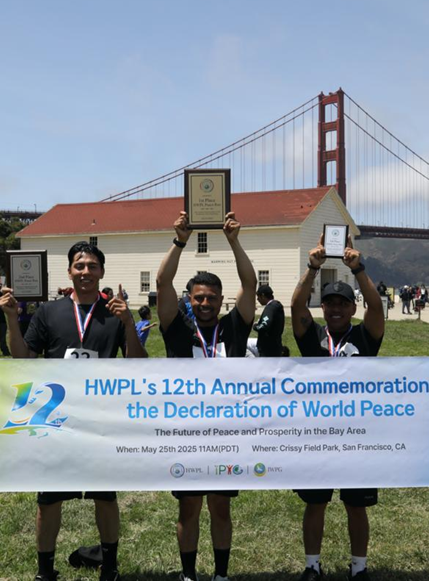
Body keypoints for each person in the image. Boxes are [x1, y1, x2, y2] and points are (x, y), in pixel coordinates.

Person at [0, 241, 146, 581]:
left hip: (100, 419)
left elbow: (138, 365)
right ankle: (44, 571)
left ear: (102, 272)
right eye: (79, 266)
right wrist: (11, 320)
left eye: (92, 266)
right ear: (69, 271)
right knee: (49, 500)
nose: (85, 272)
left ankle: (110, 567)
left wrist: (128, 324)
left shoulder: (115, 313)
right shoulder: (48, 312)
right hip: (55, 419)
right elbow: (22, 359)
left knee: (105, 497)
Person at [156, 210, 256, 581]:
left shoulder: (235, 327)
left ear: (220, 300)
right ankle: (188, 575)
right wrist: (179, 241)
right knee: (188, 509)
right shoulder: (176, 328)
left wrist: (234, 241)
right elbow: (162, 282)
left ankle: (221, 575)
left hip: (227, 434)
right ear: (190, 299)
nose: (205, 303)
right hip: (186, 433)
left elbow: (249, 283)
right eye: (198, 298)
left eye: (211, 298)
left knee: (221, 508)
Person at [290, 233, 385, 581]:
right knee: (315, 503)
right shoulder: (312, 337)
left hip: (356, 434)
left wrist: (358, 269)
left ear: (352, 309)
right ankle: (312, 566)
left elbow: (377, 308)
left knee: (356, 505)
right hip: (317, 434)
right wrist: (312, 268)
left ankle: (358, 568)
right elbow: (296, 307)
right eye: (329, 303)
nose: (335, 309)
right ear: (323, 307)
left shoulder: (365, 336)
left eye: (342, 304)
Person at [253, 285, 285, 357]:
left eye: (258, 296)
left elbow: (264, 326)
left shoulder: (270, 308)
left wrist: (255, 326)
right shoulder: (277, 306)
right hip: (276, 346)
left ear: (263, 295)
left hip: (267, 350)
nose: (257, 299)